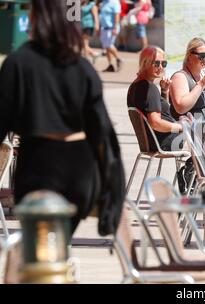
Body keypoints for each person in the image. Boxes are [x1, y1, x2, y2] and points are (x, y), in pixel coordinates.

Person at [0, 0, 126, 236]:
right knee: (59, 244)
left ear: (36, 18)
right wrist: (113, 191)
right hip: (80, 169)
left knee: (40, 251)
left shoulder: (18, 63)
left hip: (39, 164)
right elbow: (103, 132)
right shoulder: (82, 67)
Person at [127, 46, 193, 193]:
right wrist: (182, 127)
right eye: (155, 63)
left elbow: (162, 112)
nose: (160, 67)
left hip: (151, 142)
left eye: (164, 64)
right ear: (145, 63)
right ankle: (192, 179)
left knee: (196, 130)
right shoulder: (149, 89)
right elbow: (155, 122)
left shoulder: (136, 85)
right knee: (202, 137)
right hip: (164, 143)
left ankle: (190, 175)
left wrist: (165, 91)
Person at [99, 0, 123, 72]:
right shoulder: (104, 2)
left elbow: (117, 15)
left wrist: (115, 27)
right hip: (104, 28)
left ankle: (119, 59)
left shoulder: (115, 2)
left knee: (109, 45)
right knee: (106, 47)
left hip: (112, 28)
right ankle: (110, 65)